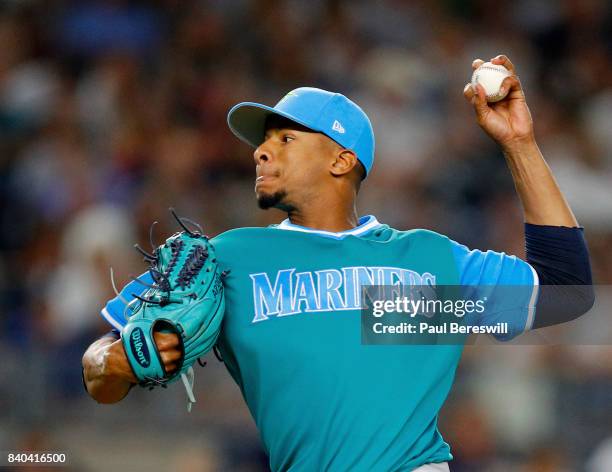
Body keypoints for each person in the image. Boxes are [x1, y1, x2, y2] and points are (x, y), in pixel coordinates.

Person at [82, 55, 594, 471]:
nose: (261, 152)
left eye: (285, 139)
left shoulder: (425, 262)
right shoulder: (226, 260)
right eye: (262, 141)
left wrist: (520, 145)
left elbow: (565, 291)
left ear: (342, 160)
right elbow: (99, 367)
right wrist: (116, 361)